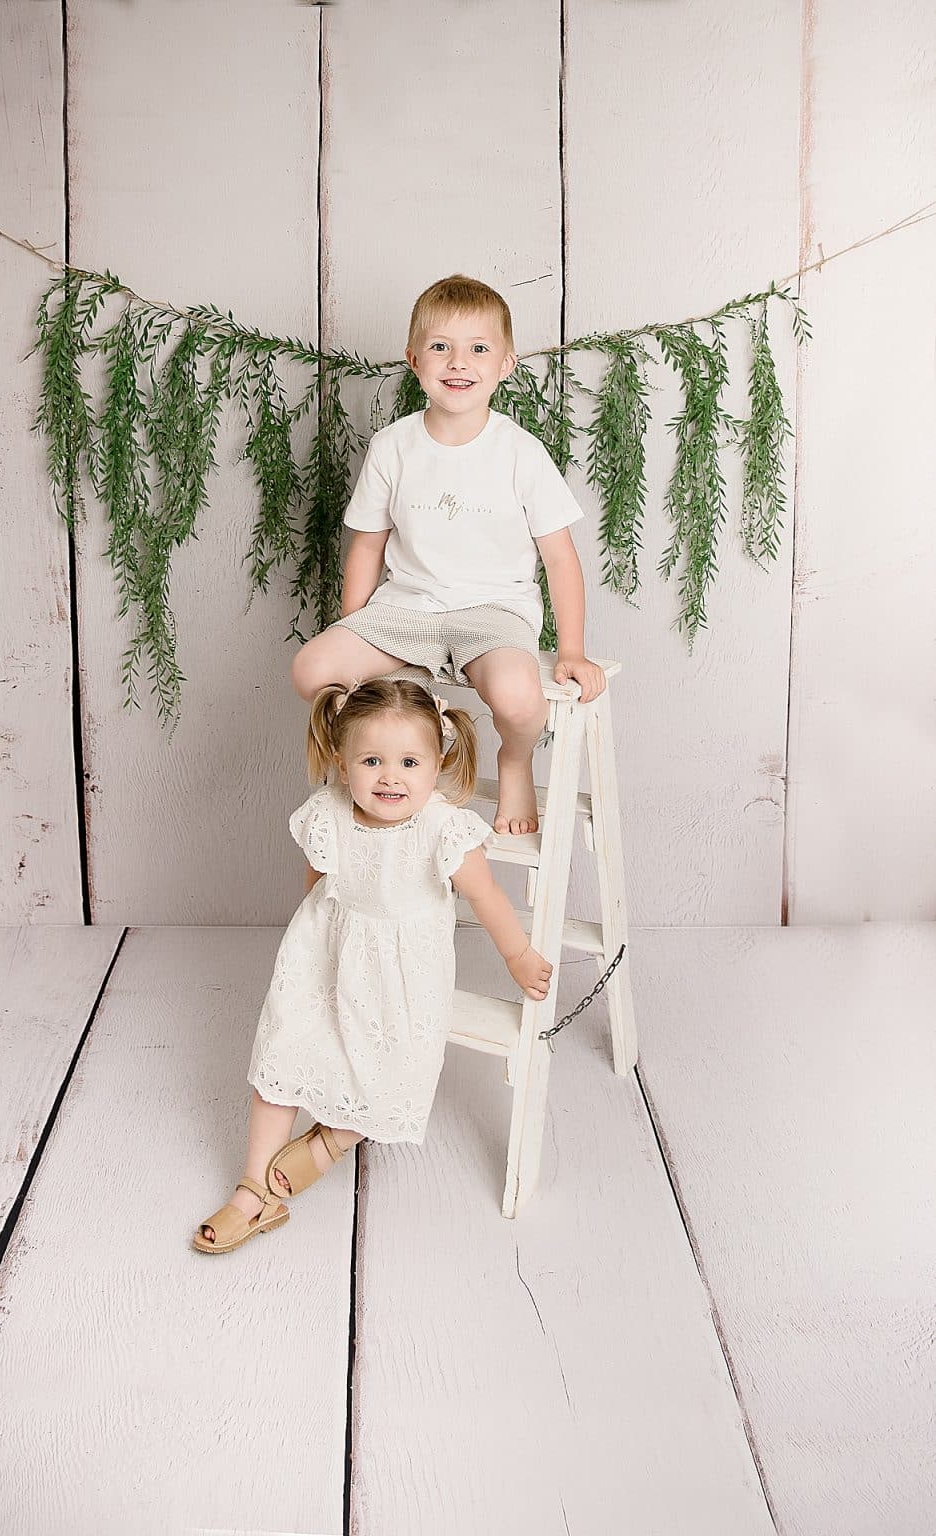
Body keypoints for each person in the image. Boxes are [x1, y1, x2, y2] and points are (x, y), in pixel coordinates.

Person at [193, 677, 553, 1253]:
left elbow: (486, 897)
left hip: (401, 978)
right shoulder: (329, 813)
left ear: (438, 763)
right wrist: (307, 946)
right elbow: (317, 880)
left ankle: (331, 1139)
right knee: (281, 1054)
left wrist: (518, 954)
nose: (390, 776)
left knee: (395, 1073)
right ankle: (253, 1190)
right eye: (372, 760)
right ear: (342, 761)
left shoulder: (442, 828)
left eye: (409, 761)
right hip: (324, 956)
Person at [291, 271, 606, 838]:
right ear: (415, 361)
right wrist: (355, 626)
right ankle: (395, 756)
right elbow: (368, 544)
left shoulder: (520, 453)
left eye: (478, 349)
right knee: (312, 667)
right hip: (407, 608)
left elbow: (560, 559)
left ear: (506, 363)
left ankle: (514, 758)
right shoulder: (394, 447)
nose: (458, 363)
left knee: (516, 695)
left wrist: (573, 649)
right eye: (441, 347)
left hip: (492, 611)